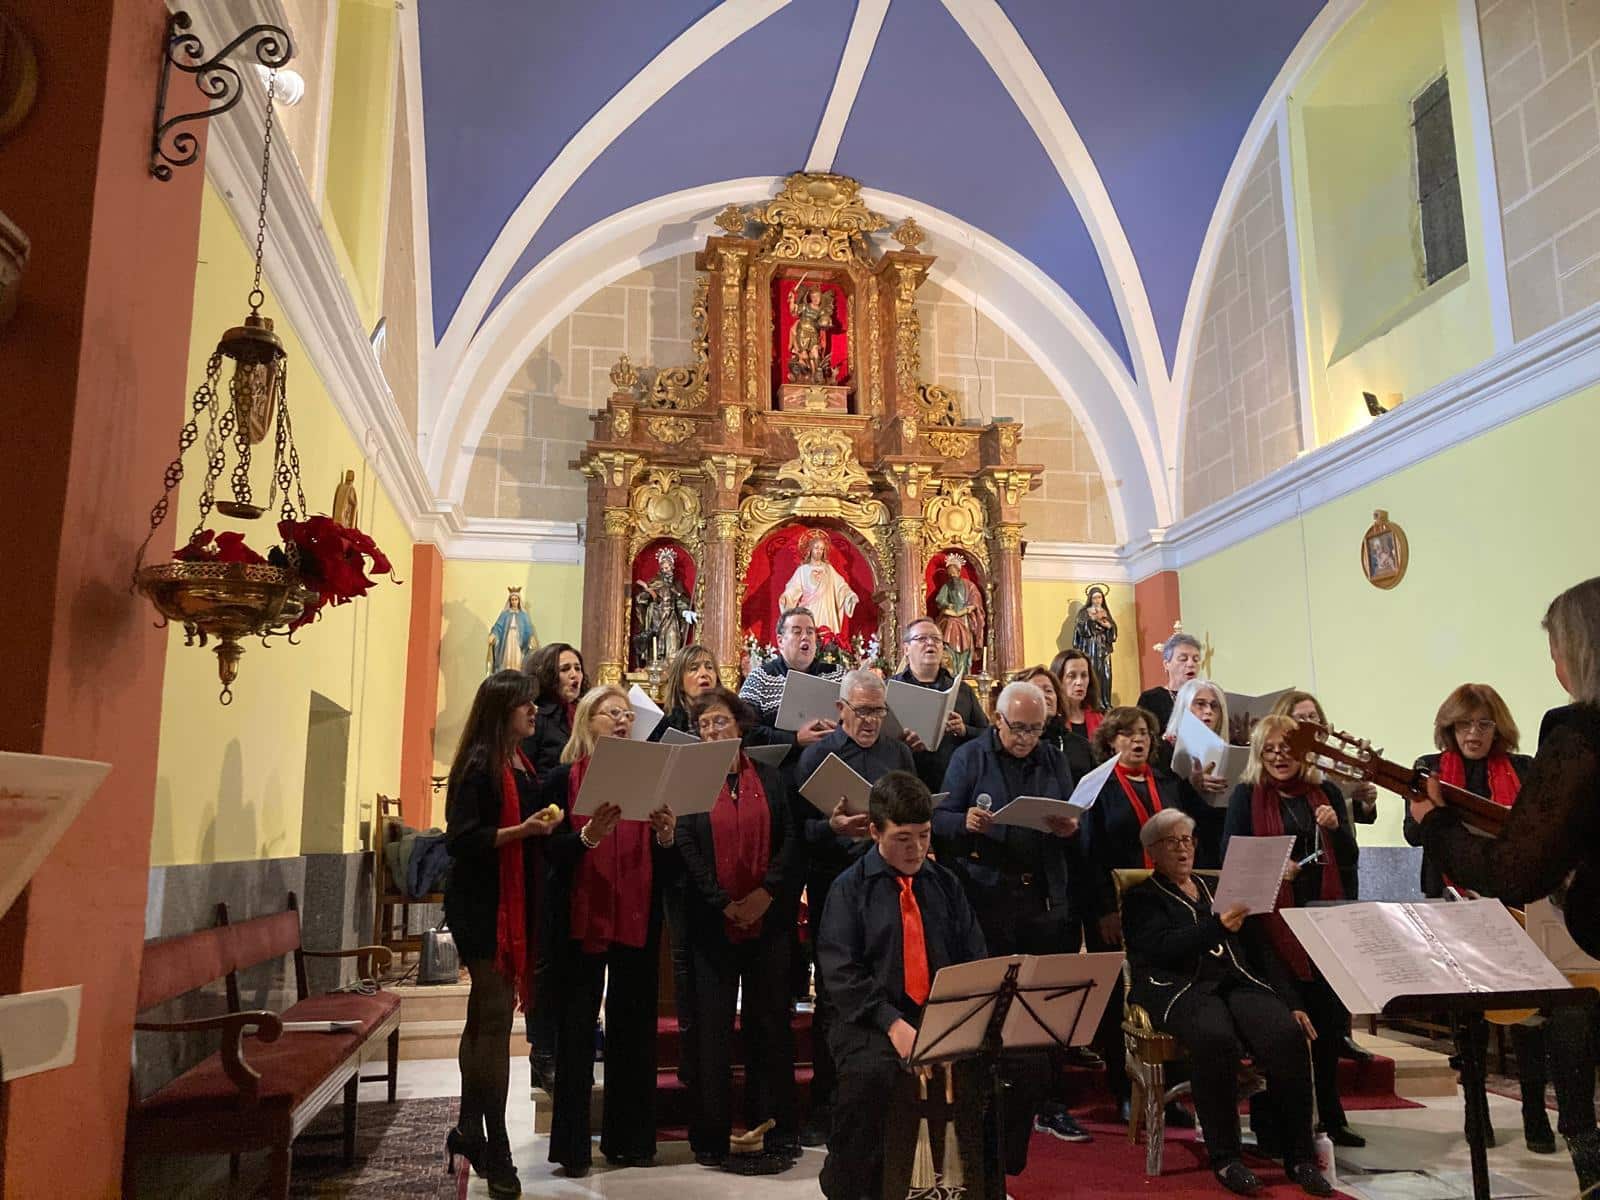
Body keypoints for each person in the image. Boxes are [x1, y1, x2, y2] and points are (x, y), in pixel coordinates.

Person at [1411, 580, 1600, 1193]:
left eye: (1557, 649)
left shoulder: (1577, 734)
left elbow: (1518, 870)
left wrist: (1435, 822)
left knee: (1568, 1020)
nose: (1554, 664)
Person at [1406, 683, 1580, 1157]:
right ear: (1449, 727)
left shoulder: (1523, 770)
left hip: (1514, 903)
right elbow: (1412, 831)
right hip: (1454, 900)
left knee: (1528, 1012)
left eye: (1483, 723)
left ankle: (1532, 1113)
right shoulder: (1431, 770)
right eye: (1464, 724)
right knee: (1470, 1017)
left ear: (1498, 727)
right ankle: (1475, 1112)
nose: (1473, 733)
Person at [1122, 809, 1333, 1197]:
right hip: (1178, 987)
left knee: (1285, 1033)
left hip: (1235, 982)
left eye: (1187, 838)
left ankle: (1301, 1157)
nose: (1183, 848)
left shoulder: (1217, 887)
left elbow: (1261, 950)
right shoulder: (1142, 897)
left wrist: (1291, 1001)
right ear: (1152, 851)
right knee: (1214, 1037)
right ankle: (1226, 1158)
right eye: (1172, 841)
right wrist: (1216, 927)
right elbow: (1161, 948)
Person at [816, 771, 989, 1200]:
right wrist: (894, 1025)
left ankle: (981, 1181)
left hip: (939, 1017)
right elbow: (841, 972)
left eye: (924, 836)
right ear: (875, 831)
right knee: (871, 1077)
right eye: (903, 838)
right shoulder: (848, 889)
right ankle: (847, 1183)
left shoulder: (946, 885)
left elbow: (973, 958)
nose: (916, 850)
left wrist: (951, 1026)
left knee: (1018, 1069)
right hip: (870, 1019)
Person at [935, 680, 1092, 1152]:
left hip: (1042, 897)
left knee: (1044, 1003)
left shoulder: (1051, 757)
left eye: (1036, 729)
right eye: (1018, 728)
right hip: (987, 896)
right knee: (994, 1000)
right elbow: (939, 820)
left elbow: (1072, 816)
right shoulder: (971, 756)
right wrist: (965, 823)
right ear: (997, 719)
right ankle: (985, 1092)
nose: (1026, 738)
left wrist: (1069, 827)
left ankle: (1043, 1099)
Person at [542, 685, 677, 1176]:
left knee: (634, 1029)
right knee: (577, 1033)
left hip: (636, 913)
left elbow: (669, 861)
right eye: (610, 713)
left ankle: (631, 1142)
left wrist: (665, 834)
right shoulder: (561, 779)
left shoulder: (650, 776)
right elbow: (547, 855)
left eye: (627, 714)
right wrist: (586, 837)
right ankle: (573, 1149)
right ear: (586, 721)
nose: (622, 721)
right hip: (580, 918)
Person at [442, 670, 564, 1197]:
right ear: (501, 710)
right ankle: (497, 1145)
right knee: (492, 1027)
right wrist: (525, 830)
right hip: (482, 907)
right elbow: (462, 839)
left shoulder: (519, 760)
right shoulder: (477, 764)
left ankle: (471, 1131)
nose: (534, 711)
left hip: (505, 904)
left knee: (485, 1023)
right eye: (524, 705)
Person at [1222, 716, 1363, 1150]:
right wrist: (1270, 869)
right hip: (1268, 926)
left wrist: (1336, 830)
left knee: (1327, 1025)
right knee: (1283, 1025)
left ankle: (1332, 1117)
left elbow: (1351, 859)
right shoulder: (1247, 796)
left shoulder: (1328, 793)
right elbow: (1233, 855)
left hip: (1322, 919)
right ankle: (1282, 1123)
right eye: (1270, 750)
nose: (1279, 757)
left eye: (1287, 749)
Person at [674, 687, 799, 1171]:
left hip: (768, 921)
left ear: (740, 727)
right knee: (712, 1031)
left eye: (720, 722)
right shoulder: (691, 783)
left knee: (770, 1025)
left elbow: (789, 843)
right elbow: (686, 846)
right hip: (712, 923)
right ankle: (711, 1135)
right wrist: (723, 902)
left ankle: (774, 1127)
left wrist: (765, 894)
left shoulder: (770, 778)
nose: (712, 731)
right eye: (704, 725)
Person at [795, 668, 918, 1144]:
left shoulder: (898, 754)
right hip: (836, 887)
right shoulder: (816, 758)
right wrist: (831, 829)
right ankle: (829, 1103)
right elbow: (796, 834)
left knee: (893, 985)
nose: (870, 720)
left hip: (891, 887)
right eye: (861, 710)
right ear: (841, 709)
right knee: (835, 996)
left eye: (877, 711)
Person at [1080, 705, 1186, 1120]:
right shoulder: (1100, 786)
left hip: (1166, 904)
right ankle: (1126, 1088)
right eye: (1127, 734)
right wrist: (1103, 909)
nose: (1138, 740)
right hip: (1117, 906)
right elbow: (1089, 855)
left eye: (1144, 732)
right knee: (1121, 1001)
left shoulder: (1167, 783)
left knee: (1168, 991)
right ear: (1110, 742)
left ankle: (1170, 1090)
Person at [647, 644, 722, 1108]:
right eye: (694, 668)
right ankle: (691, 1062)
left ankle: (713, 1059)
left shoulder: (730, 722)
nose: (704, 674)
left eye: (710, 666)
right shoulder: (662, 727)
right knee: (682, 962)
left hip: (719, 850)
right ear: (678, 676)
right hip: (675, 852)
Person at [892, 616, 990, 794]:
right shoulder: (890, 688)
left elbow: (988, 736)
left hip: (953, 784)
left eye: (936, 639)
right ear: (906, 648)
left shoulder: (962, 691)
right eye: (922, 639)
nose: (930, 643)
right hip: (903, 785)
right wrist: (901, 743)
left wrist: (964, 730)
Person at [1271, 691, 1380, 831]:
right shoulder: (1278, 763)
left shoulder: (1335, 753)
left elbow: (1357, 812)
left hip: (1341, 840)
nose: (1309, 722)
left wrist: (1367, 802)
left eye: (1312, 716)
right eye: (1300, 718)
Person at [1161, 678, 1234, 868]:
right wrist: (1190, 785)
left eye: (1214, 706)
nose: (1208, 711)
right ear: (1184, 706)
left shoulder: (1227, 751)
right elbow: (1164, 804)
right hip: (1184, 843)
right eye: (1200, 704)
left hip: (1222, 840)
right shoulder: (1164, 749)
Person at [777, 531, 858, 636]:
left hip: (827, 611)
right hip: (810, 610)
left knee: (827, 640)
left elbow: (841, 586)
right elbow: (792, 589)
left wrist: (850, 596)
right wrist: (785, 598)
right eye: (816, 548)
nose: (819, 551)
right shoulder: (802, 570)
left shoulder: (828, 569)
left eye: (821, 549)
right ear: (810, 549)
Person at [524, 643, 588, 775]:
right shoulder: (536, 716)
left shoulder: (583, 715)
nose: (574, 675)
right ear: (548, 675)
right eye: (565, 669)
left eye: (578, 668)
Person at [932, 552, 985, 678]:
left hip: (965, 618)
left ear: (959, 571)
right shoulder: (947, 586)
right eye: (949, 572)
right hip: (951, 617)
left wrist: (965, 610)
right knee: (948, 639)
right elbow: (940, 599)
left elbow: (975, 599)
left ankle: (964, 671)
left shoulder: (969, 585)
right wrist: (947, 605)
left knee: (965, 645)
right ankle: (952, 671)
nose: (952, 575)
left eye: (953, 572)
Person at [1138, 631, 1203, 731]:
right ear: (1166, 664)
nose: (1191, 664)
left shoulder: (1206, 697)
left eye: (1195, 659)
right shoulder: (1151, 699)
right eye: (1183, 659)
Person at [1072, 584, 1118, 706]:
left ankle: (1105, 702)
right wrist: (1093, 619)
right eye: (1095, 598)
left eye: (1099, 597)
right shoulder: (1084, 612)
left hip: (1103, 648)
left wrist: (1109, 627)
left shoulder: (1105, 612)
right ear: (1090, 599)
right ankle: (1092, 702)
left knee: (1105, 675)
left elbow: (1112, 631)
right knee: (1092, 672)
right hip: (1090, 647)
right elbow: (1081, 629)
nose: (1097, 600)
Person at [1051, 646, 1105, 740]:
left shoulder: (1098, 718)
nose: (1079, 682)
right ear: (1058, 679)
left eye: (1084, 675)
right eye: (1072, 676)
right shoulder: (1052, 720)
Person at [488, 588, 537, 674]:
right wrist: (493, 635)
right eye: (512, 600)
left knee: (517, 658)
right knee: (507, 657)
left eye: (516, 599)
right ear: (510, 601)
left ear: (519, 601)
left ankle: (516, 675)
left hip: (518, 641)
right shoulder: (505, 614)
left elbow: (528, 629)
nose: (514, 602)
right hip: (507, 640)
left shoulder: (523, 615)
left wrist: (531, 637)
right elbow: (498, 627)